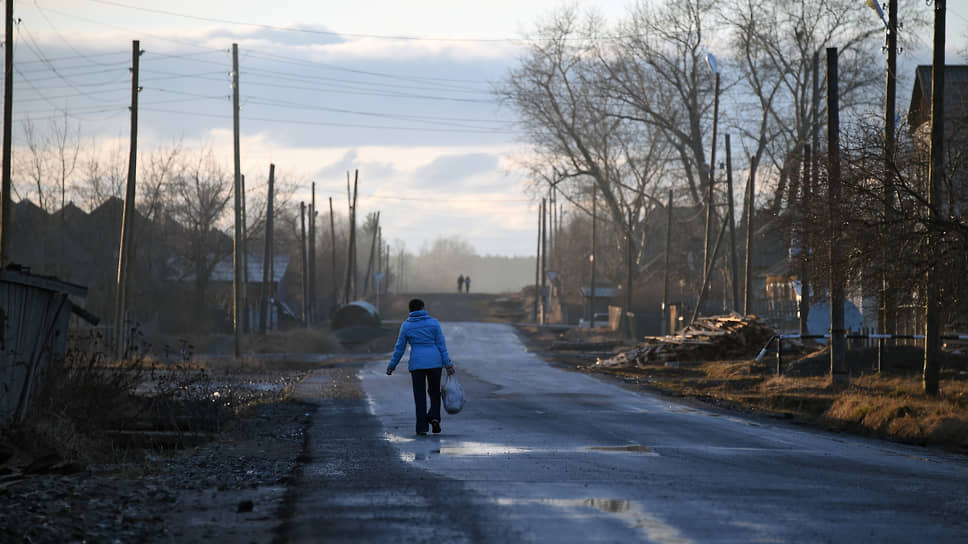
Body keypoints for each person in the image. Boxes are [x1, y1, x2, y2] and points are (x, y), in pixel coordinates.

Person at [386, 298, 456, 435]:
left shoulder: (406, 326)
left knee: (419, 395)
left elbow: (399, 348)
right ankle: (435, 417)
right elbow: (442, 346)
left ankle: (422, 427)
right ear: (423, 308)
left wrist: (392, 366)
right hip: (435, 363)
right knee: (435, 392)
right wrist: (448, 364)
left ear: (410, 310)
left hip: (417, 364)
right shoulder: (434, 323)